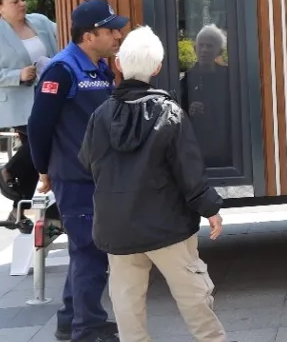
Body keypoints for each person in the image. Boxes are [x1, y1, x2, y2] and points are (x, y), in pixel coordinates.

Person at [79, 27, 227, 342]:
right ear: (157, 68)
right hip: (167, 224)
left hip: (117, 227)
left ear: (118, 64)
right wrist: (210, 208)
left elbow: (87, 163)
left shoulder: (100, 116)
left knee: (126, 304)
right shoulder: (171, 113)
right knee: (193, 295)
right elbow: (189, 171)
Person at [28, 0, 128, 342]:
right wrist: (43, 169)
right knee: (89, 252)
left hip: (96, 175)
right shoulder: (62, 70)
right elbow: (39, 125)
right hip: (76, 178)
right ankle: (87, 330)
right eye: (110, 30)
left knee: (86, 251)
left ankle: (71, 320)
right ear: (88, 36)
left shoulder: (97, 67)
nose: (118, 35)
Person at [0, 0, 59, 223]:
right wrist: (17, 75)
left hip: (48, 98)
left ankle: (17, 208)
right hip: (18, 103)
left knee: (36, 152)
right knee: (41, 144)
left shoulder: (40, 22)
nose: (22, 3)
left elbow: (65, 36)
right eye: (15, 1)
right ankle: (9, 173)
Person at [180, 25, 231, 168]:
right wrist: (189, 110)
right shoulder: (186, 80)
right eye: (201, 45)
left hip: (226, 151)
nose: (204, 50)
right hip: (196, 149)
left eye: (209, 46)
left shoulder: (229, 77)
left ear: (219, 51)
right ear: (194, 48)